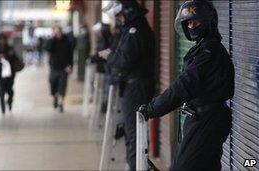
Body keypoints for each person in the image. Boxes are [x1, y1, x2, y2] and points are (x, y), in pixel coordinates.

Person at [138, 1, 235, 170]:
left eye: (195, 21)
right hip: (203, 119)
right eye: (188, 22)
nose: (191, 26)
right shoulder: (204, 49)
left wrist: (152, 109)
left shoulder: (209, 52)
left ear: (208, 21)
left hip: (208, 120)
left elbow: (183, 86)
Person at [99, 1, 155, 170]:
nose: (119, 19)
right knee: (135, 135)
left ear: (128, 13)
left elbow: (124, 60)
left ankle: (136, 167)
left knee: (134, 137)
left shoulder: (135, 31)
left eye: (120, 15)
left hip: (135, 88)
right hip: (135, 86)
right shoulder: (135, 29)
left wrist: (110, 56)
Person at [47, 26, 73, 112]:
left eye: (59, 32)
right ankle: (55, 97)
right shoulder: (52, 41)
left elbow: (70, 55)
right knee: (53, 83)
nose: (58, 34)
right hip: (54, 67)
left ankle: (61, 103)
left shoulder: (66, 41)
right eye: (56, 32)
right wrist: (53, 38)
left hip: (64, 68)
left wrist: (70, 66)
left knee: (62, 86)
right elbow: (47, 48)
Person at [0, 33, 17, 114]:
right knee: (1, 92)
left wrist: (10, 55)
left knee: (10, 91)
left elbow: (15, 58)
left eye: (4, 39)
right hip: (1, 74)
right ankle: (3, 108)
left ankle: (10, 102)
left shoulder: (10, 48)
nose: (3, 41)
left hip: (10, 74)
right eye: (1, 40)